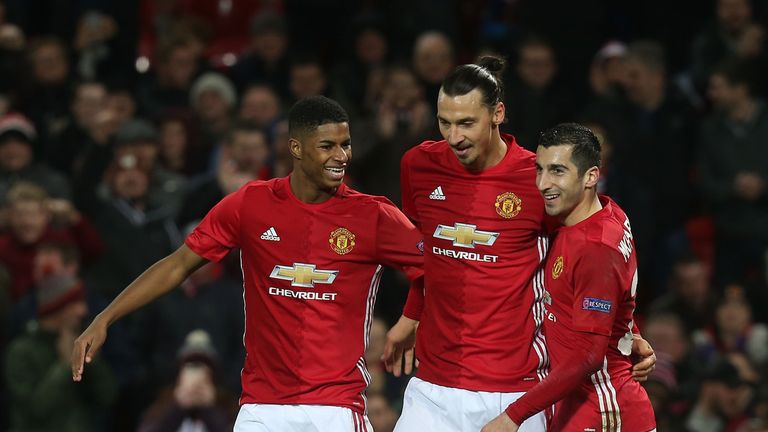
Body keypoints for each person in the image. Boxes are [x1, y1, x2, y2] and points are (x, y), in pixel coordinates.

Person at [71, 96, 424, 431]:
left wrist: (410, 319)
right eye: (327, 146)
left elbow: (438, 268)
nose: (341, 156)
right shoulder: (250, 205)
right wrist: (106, 317)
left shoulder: (373, 215)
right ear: (296, 148)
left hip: (335, 408)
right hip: (262, 408)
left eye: (345, 144)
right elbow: (177, 266)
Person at [384, 57, 655, 431]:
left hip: (516, 388)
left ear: (498, 114)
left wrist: (629, 330)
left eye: (466, 123)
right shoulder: (418, 165)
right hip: (434, 383)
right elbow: (426, 252)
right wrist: (411, 314)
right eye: (444, 122)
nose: (454, 136)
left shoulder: (538, 180)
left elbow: (593, 259)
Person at [481, 123, 655, 431]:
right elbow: (617, 297)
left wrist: (513, 416)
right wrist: (631, 333)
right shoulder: (608, 213)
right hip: (579, 405)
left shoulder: (595, 248)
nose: (543, 183)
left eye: (557, 171)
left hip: (604, 411)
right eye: (540, 169)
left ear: (590, 176)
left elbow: (588, 356)